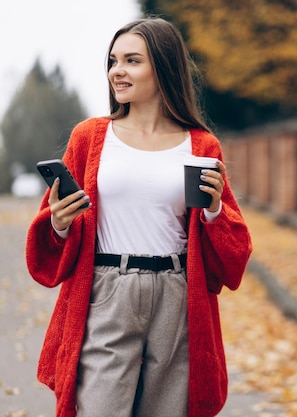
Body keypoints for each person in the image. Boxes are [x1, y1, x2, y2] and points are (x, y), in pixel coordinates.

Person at [25, 17, 252, 417]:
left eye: (132, 61)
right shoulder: (91, 138)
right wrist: (59, 222)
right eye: (114, 61)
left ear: (162, 69)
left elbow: (231, 255)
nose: (117, 71)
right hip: (108, 290)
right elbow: (51, 238)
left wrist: (215, 211)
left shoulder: (199, 145)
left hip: (177, 295)